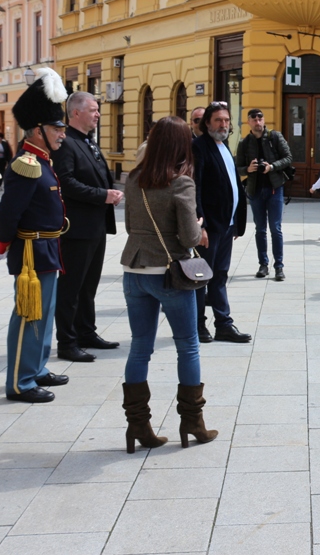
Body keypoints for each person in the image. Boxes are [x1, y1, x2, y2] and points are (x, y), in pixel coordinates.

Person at [121, 116, 217, 453]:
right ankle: (192, 422)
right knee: (187, 345)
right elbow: (190, 236)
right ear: (180, 145)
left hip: (135, 271)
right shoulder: (181, 182)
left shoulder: (133, 179)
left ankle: (138, 426)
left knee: (139, 347)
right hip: (169, 273)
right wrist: (199, 226)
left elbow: (132, 224)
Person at [0, 68, 69, 403]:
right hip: (31, 252)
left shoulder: (43, 161)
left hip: (47, 247)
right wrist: (3, 243)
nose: (62, 134)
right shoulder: (25, 164)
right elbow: (7, 214)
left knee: (45, 313)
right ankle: (21, 382)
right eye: (56, 128)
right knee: (29, 316)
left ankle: (36, 367)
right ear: (37, 131)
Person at [52, 91, 123, 362]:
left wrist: (110, 191)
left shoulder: (87, 141)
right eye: (93, 110)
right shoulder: (66, 142)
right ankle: (67, 342)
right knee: (71, 287)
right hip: (77, 227)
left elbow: (97, 175)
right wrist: (102, 195)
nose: (98, 114)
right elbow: (66, 183)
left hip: (95, 225)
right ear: (76, 113)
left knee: (88, 285)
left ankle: (86, 332)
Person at [192, 102, 251, 344]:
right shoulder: (198, 147)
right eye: (218, 120)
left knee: (220, 275)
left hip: (226, 225)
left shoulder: (225, 145)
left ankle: (223, 324)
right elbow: (194, 187)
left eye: (226, 120)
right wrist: (200, 225)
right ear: (207, 123)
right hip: (210, 226)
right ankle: (198, 325)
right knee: (200, 277)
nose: (223, 125)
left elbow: (233, 184)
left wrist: (236, 222)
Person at [235, 108, 293, 281]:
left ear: (263, 120)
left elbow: (288, 157)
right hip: (255, 191)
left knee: (275, 228)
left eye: (260, 118)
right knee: (260, 229)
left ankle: (279, 267)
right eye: (254, 119)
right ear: (249, 122)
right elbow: (237, 168)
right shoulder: (244, 143)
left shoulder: (275, 137)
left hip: (275, 189)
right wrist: (248, 169)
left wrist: (272, 167)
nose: (257, 121)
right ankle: (263, 265)